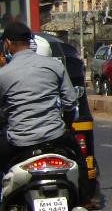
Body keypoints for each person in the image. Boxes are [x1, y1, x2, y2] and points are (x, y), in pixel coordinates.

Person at [0, 21, 78, 172]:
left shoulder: (3, 74)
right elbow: (70, 103)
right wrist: (67, 126)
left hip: (19, 142)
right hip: (55, 137)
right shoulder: (55, 66)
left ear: (8, 43)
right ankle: (85, 187)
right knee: (80, 163)